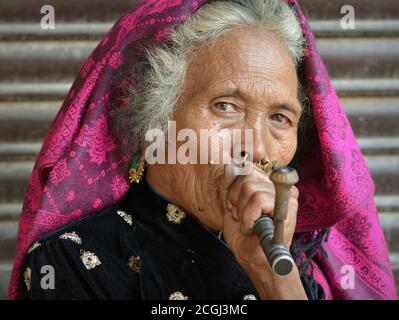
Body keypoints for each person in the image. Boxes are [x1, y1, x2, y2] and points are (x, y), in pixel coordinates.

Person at [9, 0, 396, 300]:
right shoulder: (71, 261)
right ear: (154, 124)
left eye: (280, 117)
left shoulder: (294, 265)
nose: (257, 147)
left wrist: (274, 280)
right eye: (226, 106)